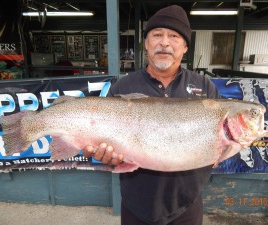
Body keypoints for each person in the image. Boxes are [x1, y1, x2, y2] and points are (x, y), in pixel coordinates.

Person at [83, 5, 220, 225]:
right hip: (136, 206)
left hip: (186, 205)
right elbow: (108, 148)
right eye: (157, 35)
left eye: (174, 36)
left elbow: (215, 145)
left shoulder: (204, 87)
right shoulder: (123, 86)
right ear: (146, 44)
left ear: (185, 46)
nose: (164, 42)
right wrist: (107, 157)